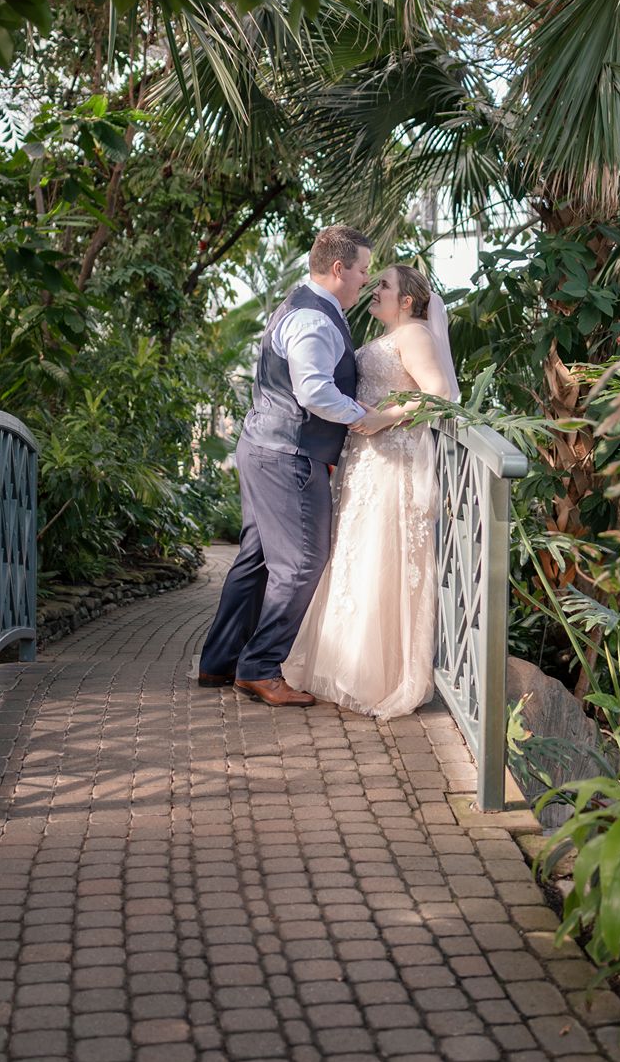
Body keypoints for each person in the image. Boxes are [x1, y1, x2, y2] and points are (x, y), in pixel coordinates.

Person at [194, 225, 373, 706]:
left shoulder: (301, 304)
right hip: (288, 455)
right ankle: (259, 667)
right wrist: (365, 419)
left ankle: (219, 662)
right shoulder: (314, 320)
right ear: (339, 269)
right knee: (301, 563)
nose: (365, 281)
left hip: (265, 446)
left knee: (256, 560)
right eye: (362, 271)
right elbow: (313, 390)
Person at [283, 264, 459, 719]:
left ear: (407, 300)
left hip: (391, 461)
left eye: (384, 284)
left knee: (379, 556)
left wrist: (383, 418)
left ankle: (375, 674)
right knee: (356, 557)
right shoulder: (389, 337)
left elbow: (439, 393)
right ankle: (343, 665)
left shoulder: (415, 333)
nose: (373, 289)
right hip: (367, 460)